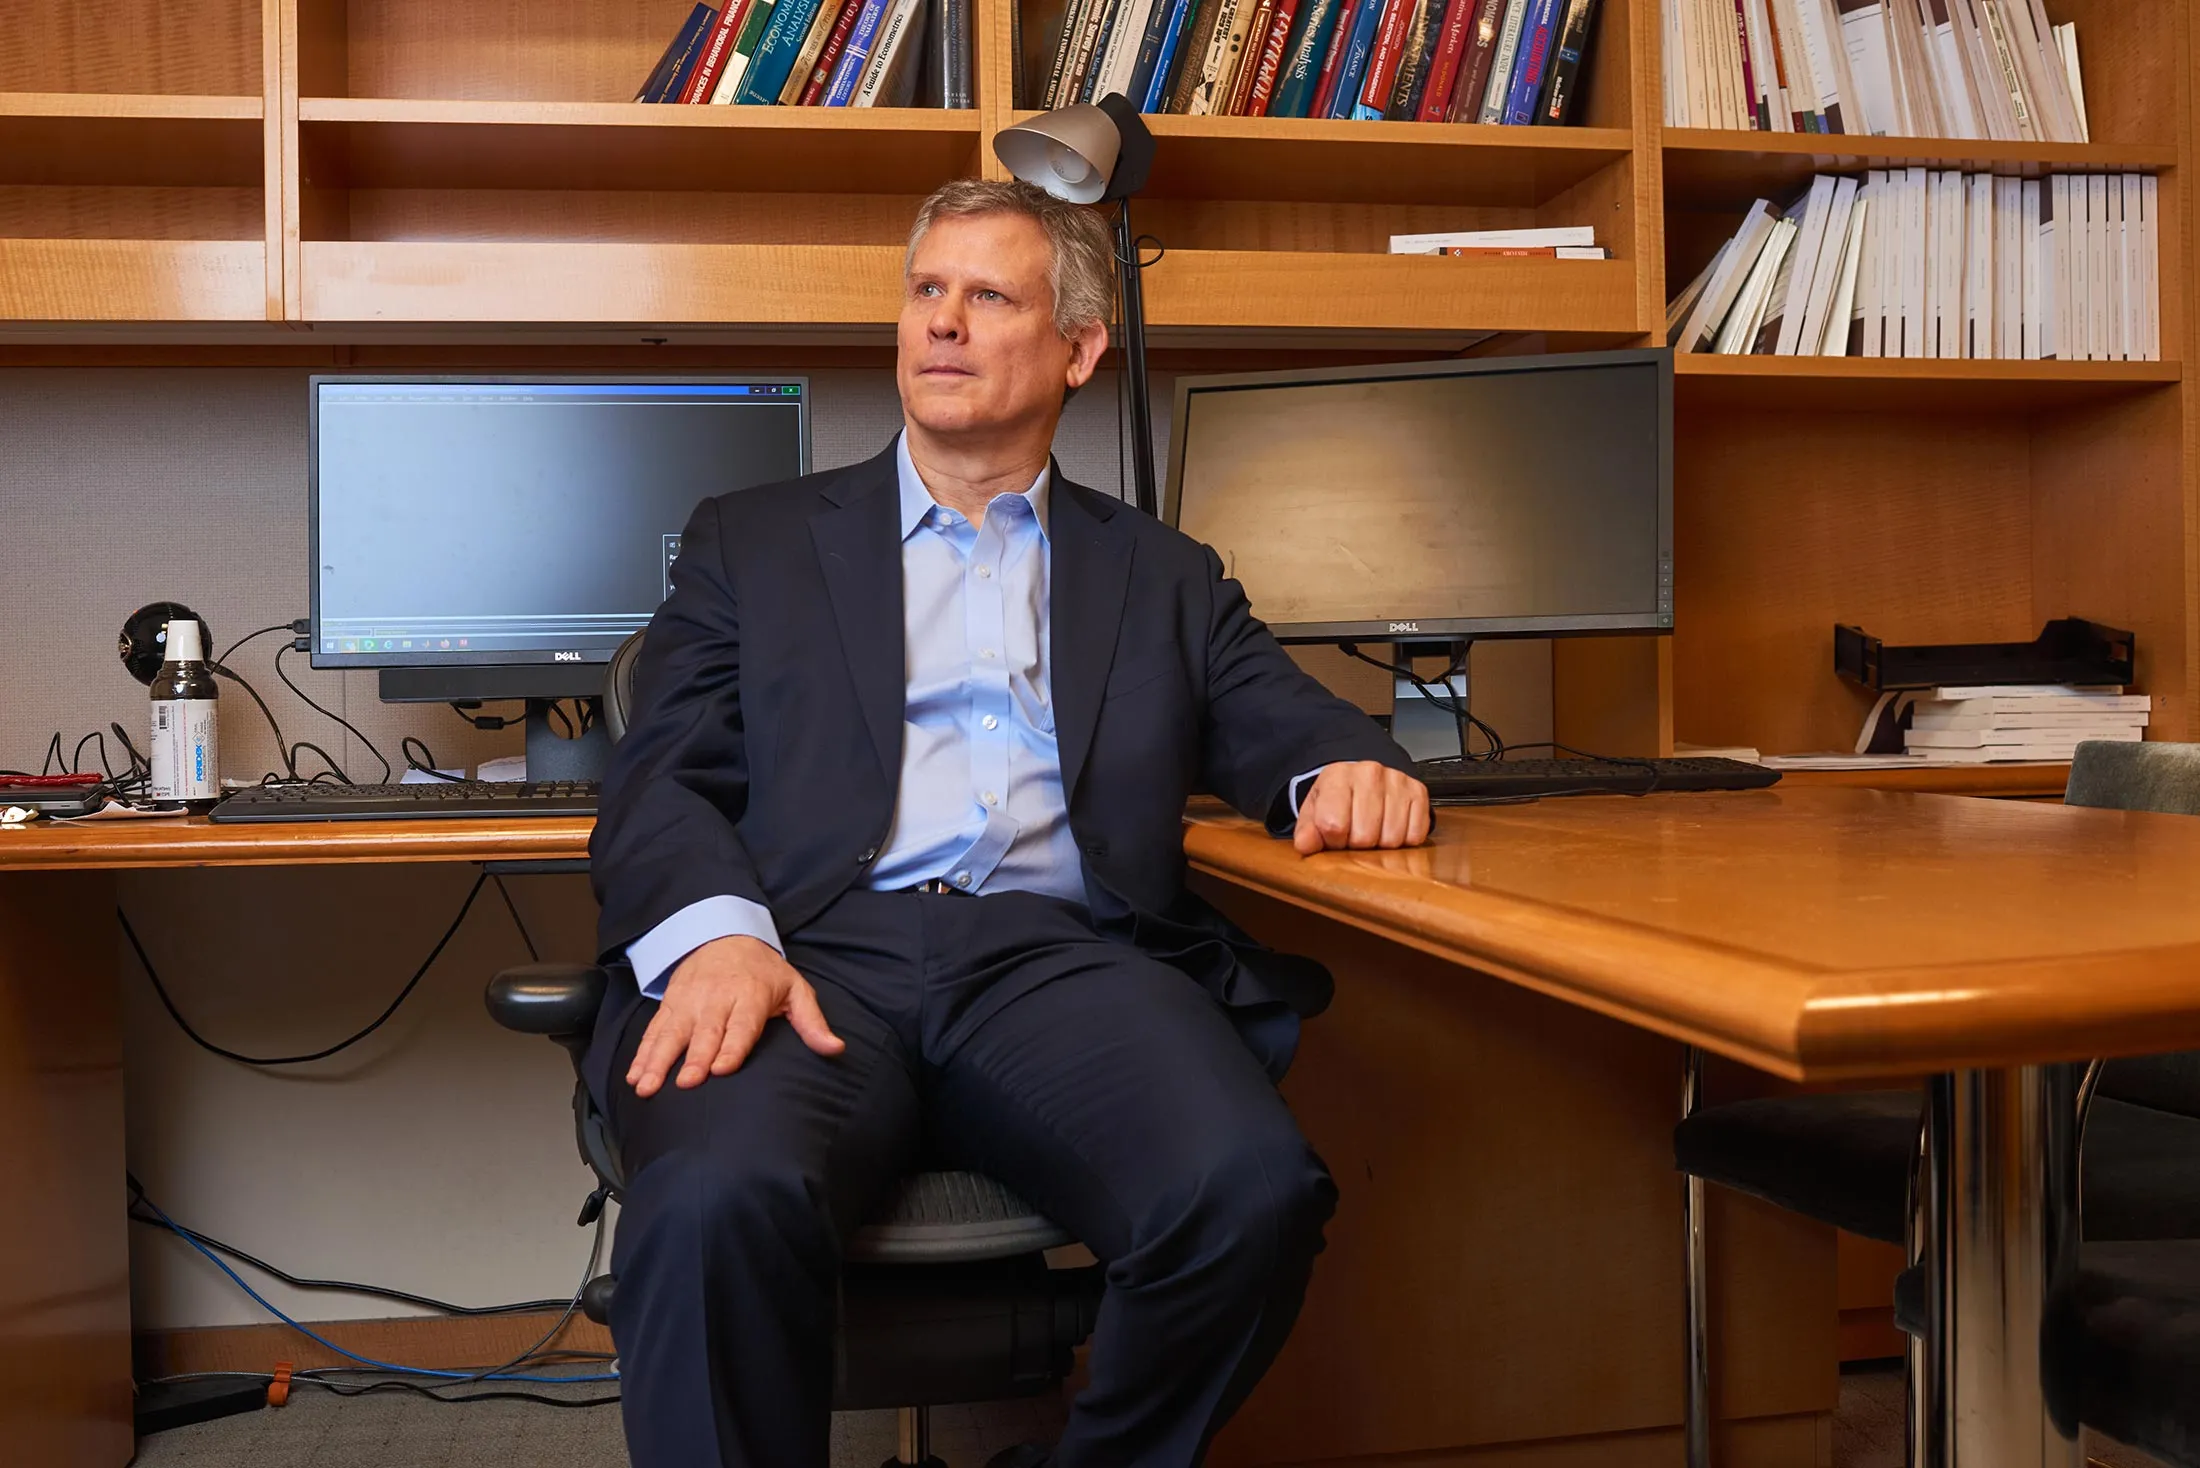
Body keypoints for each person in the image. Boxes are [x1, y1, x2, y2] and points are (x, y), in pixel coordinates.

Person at [587, 177, 1430, 1468]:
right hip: (809, 955)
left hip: (1058, 964)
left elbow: (1291, 723)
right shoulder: (751, 543)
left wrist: (1345, 769)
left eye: (988, 297)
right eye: (927, 290)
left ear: (1081, 349)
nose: (942, 321)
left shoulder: (1163, 575)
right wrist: (719, 938)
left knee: (1251, 1196)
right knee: (708, 1202)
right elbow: (658, 778)